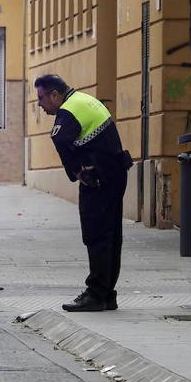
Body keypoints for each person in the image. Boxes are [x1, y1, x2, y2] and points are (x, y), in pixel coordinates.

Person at [35, 74, 133, 312]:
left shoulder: (68, 110)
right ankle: (107, 293)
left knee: (96, 235)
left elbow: (58, 138)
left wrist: (77, 171)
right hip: (115, 173)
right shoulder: (85, 100)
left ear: (55, 95)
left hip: (98, 179)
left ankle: (96, 294)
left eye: (41, 98)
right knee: (111, 236)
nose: (39, 104)